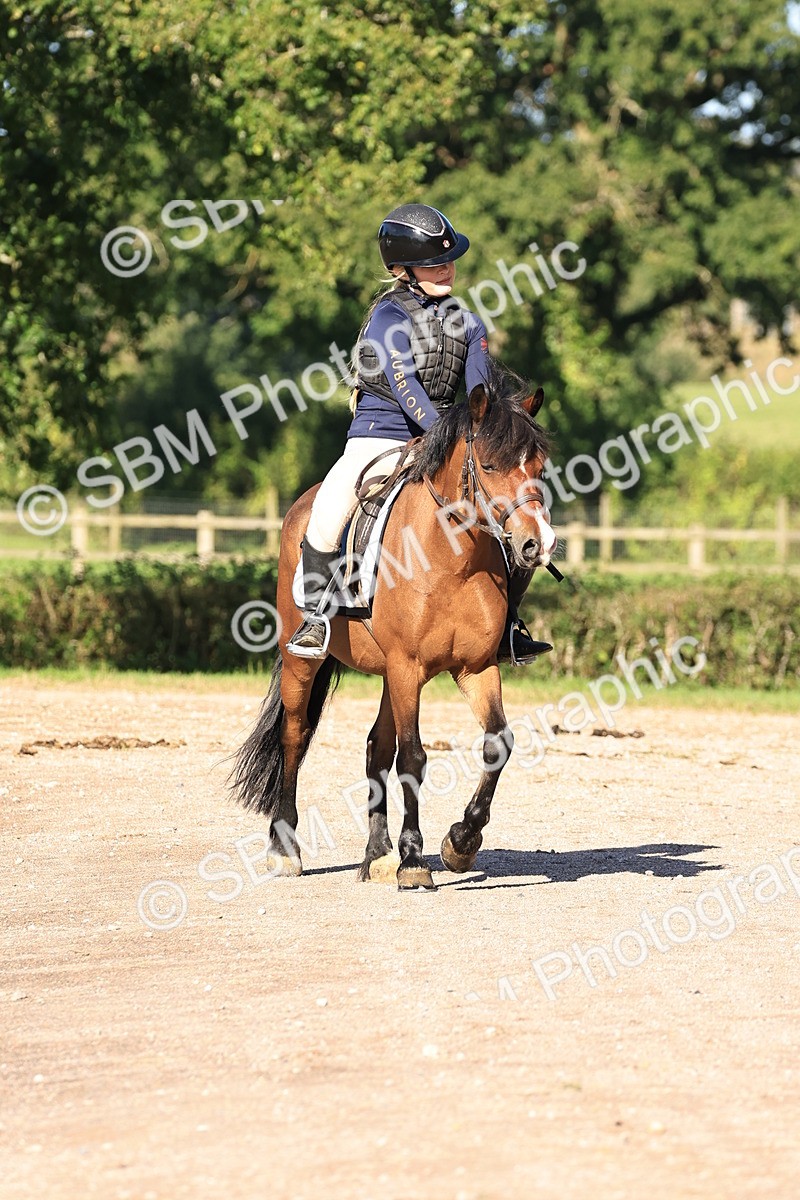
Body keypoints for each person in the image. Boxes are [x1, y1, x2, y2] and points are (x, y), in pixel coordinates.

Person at [287, 202, 550, 664]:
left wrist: (487, 433)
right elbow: (404, 385)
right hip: (381, 435)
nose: (446, 269)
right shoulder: (389, 317)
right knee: (329, 508)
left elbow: (478, 392)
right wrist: (443, 432)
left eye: (448, 260)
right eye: (433, 263)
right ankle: (314, 618)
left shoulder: (468, 323)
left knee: (510, 511)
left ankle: (507, 622)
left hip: (449, 438)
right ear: (403, 268)